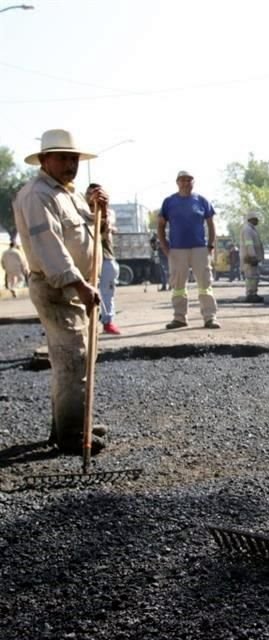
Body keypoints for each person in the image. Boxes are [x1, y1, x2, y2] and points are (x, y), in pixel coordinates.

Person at [12, 129, 108, 455]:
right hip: (59, 287)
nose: (71, 164)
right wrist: (78, 284)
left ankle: (74, 422)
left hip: (78, 286)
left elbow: (92, 239)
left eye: (74, 158)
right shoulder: (37, 195)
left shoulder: (69, 194)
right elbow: (49, 247)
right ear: (44, 160)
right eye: (64, 158)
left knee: (81, 357)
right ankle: (70, 435)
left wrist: (102, 215)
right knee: (72, 358)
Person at [157, 170, 220, 329]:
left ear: (193, 182)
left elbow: (211, 225)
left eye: (189, 180)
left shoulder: (201, 201)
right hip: (177, 250)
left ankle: (209, 317)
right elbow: (161, 226)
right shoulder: (169, 202)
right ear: (177, 182)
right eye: (182, 180)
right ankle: (179, 318)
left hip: (199, 249)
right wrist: (165, 247)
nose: (186, 183)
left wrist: (210, 245)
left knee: (205, 283)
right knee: (178, 286)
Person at [86, 183, 121, 335]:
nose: (94, 195)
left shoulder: (109, 212)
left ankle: (108, 321)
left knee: (107, 291)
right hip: (86, 258)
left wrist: (103, 209)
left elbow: (106, 225)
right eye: (91, 193)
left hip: (106, 257)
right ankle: (88, 324)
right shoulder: (80, 212)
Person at [240, 212, 265, 303]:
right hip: (249, 258)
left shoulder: (252, 229)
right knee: (251, 277)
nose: (257, 221)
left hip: (253, 258)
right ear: (251, 219)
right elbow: (249, 244)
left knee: (254, 277)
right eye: (256, 219)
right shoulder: (247, 230)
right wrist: (253, 256)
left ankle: (253, 293)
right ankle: (250, 294)